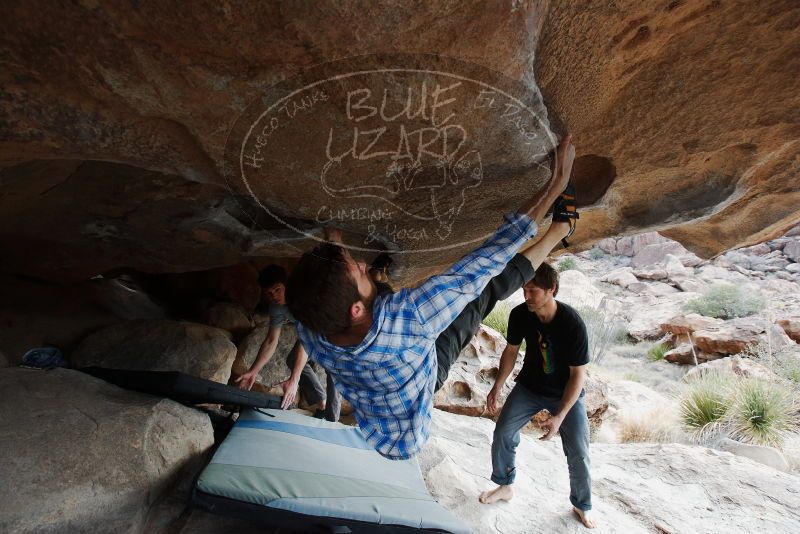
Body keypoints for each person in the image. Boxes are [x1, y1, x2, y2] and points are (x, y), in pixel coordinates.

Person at [285, 135, 577, 459]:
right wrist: (555, 184)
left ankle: (378, 281)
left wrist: (333, 246)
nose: (361, 263)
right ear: (355, 309)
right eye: (358, 270)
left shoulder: (310, 326)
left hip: (382, 398)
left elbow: (319, 293)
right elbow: (483, 263)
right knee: (484, 290)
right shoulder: (410, 320)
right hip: (424, 378)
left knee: (378, 293)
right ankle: (559, 231)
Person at [479, 262, 595, 529]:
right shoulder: (520, 314)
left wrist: (560, 416)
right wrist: (497, 386)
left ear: (551, 289)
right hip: (530, 387)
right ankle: (504, 486)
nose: (527, 296)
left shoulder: (572, 323)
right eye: (524, 290)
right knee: (503, 432)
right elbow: (511, 351)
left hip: (566, 393)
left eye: (533, 290)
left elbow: (578, 375)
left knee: (579, 450)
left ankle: (581, 504)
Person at [235, 264, 341, 422]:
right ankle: (322, 403)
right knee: (293, 359)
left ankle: (332, 423)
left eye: (277, 290)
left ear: (288, 285)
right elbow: (271, 340)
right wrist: (253, 371)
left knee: (333, 368)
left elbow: (306, 343)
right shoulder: (277, 307)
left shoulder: (304, 299)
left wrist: (294, 380)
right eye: (269, 293)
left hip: (334, 330)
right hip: (311, 333)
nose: (274, 296)